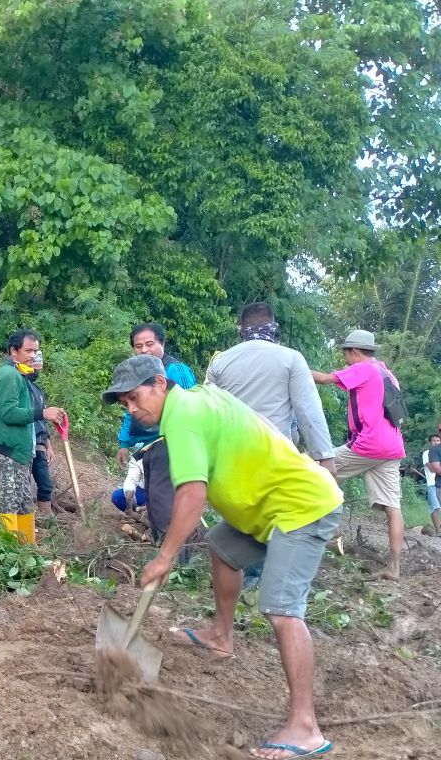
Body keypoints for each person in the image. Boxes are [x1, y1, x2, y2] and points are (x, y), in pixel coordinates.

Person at [105, 355, 342, 760]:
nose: (131, 408)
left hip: (301, 508)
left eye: (135, 396)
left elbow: (192, 494)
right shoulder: (195, 400)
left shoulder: (181, 418)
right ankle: (221, 636)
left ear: (160, 383)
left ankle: (306, 728)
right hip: (270, 510)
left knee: (282, 610)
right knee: (222, 546)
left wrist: (164, 557)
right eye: (125, 402)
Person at [311, 329, 407, 580]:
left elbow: (322, 378)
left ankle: (326, 533)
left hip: (369, 444)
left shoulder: (364, 369)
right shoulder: (387, 373)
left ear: (354, 351)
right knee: (393, 507)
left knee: (315, 472)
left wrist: (290, 368)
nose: (345, 359)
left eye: (345, 353)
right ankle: (394, 568)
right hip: (392, 447)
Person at [205, 302, 335, 474]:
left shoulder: (219, 362)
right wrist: (325, 457)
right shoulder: (292, 359)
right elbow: (308, 410)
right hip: (277, 460)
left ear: (241, 330)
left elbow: (208, 411)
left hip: (232, 461)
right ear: (273, 328)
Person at [116, 323, 196, 542]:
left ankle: (177, 556)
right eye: (138, 345)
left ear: (162, 343)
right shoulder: (137, 375)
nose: (144, 350)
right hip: (149, 447)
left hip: (171, 442)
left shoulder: (174, 370)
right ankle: (164, 547)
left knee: (168, 499)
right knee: (154, 500)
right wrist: (124, 442)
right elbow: (130, 412)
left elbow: (192, 402)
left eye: (149, 344)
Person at [0, 329, 64, 543]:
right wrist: (42, 413)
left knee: (24, 502)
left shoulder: (20, 376)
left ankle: (27, 548)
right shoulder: (9, 375)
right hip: (8, 451)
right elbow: (8, 413)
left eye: (36, 351)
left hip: (19, 452)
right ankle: (7, 551)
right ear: (13, 351)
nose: (33, 355)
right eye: (28, 350)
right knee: (9, 502)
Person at [25, 349, 58, 518]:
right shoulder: (21, 385)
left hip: (39, 444)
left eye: (38, 367)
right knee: (23, 485)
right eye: (33, 366)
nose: (36, 370)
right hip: (24, 442)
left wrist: (48, 446)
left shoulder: (37, 390)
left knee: (45, 485)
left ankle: (47, 519)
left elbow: (43, 420)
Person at [425, 434, 441, 536]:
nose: (436, 442)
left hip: (437, 483)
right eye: (434, 440)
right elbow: (432, 468)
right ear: (430, 442)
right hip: (431, 483)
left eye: (438, 440)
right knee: (435, 507)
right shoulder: (427, 453)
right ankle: (438, 531)